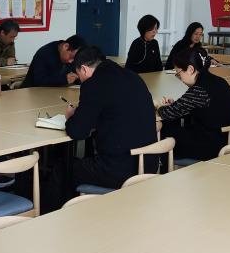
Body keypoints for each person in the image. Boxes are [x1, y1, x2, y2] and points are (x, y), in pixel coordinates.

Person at [64, 46, 159, 189]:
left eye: (79, 76)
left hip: (120, 170)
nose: (81, 81)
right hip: (149, 164)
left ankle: (66, 205)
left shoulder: (93, 84)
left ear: (83, 69)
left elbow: (77, 132)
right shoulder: (132, 76)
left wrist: (71, 116)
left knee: (63, 169)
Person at [157, 47, 230, 161]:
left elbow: (166, 113)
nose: (179, 78)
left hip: (216, 145)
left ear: (190, 69)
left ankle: (161, 168)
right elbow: (195, 106)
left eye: (178, 73)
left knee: (165, 133)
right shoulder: (218, 81)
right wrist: (176, 106)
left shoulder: (199, 89)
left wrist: (160, 107)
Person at [21, 35, 86, 88]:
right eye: (71, 57)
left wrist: (79, 77)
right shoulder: (45, 53)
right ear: (65, 46)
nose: (71, 62)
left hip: (57, 92)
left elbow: (75, 76)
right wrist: (64, 79)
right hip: (32, 92)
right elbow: (39, 81)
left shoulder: (72, 56)